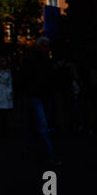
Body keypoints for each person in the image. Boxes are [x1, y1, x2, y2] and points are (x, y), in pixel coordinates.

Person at [21, 37, 61, 166]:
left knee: (37, 123)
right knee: (42, 125)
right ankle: (50, 154)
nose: (47, 48)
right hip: (36, 95)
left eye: (47, 46)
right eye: (44, 46)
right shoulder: (32, 60)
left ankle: (30, 147)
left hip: (42, 95)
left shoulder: (46, 60)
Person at [0, 56, 14, 136]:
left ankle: (4, 129)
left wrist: (10, 92)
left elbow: (9, 82)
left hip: (5, 93)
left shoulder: (8, 71)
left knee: (5, 113)